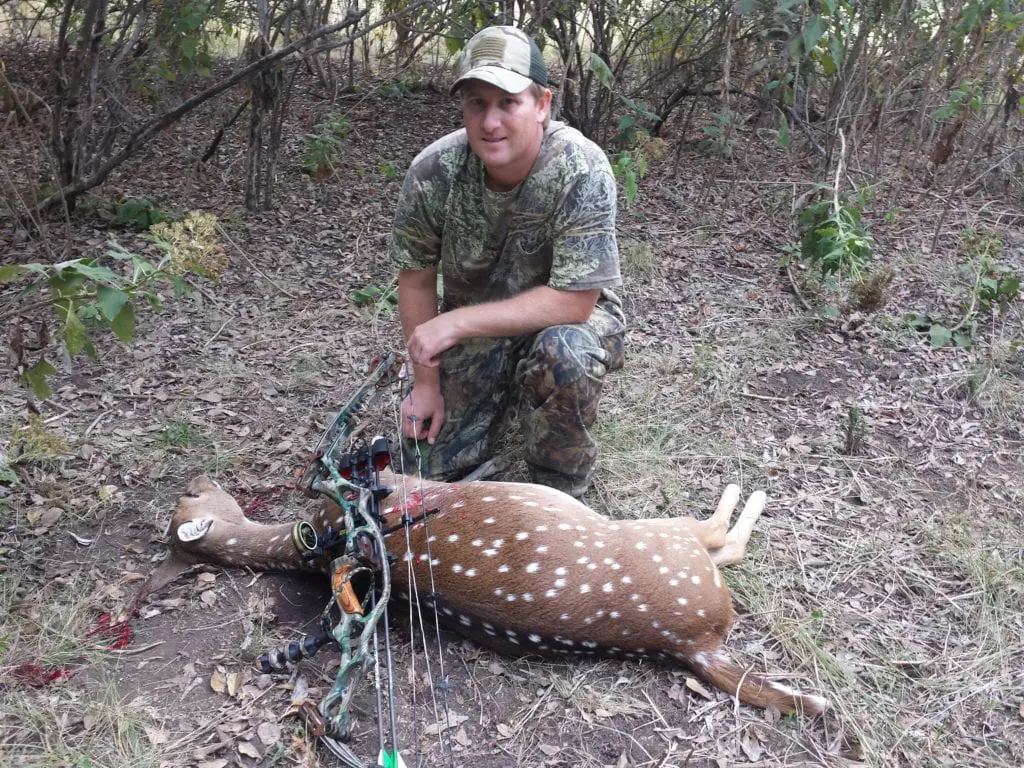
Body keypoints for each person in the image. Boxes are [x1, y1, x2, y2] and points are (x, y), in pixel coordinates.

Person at [390, 25, 626, 497]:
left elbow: (575, 303)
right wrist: (425, 383)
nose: (490, 122)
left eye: (507, 102)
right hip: (481, 333)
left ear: (542, 105)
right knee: (422, 473)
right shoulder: (433, 172)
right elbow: (415, 280)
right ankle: (500, 395)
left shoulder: (581, 167)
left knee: (567, 354)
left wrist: (452, 324)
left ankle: (560, 486)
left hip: (566, 323)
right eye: (477, 103)